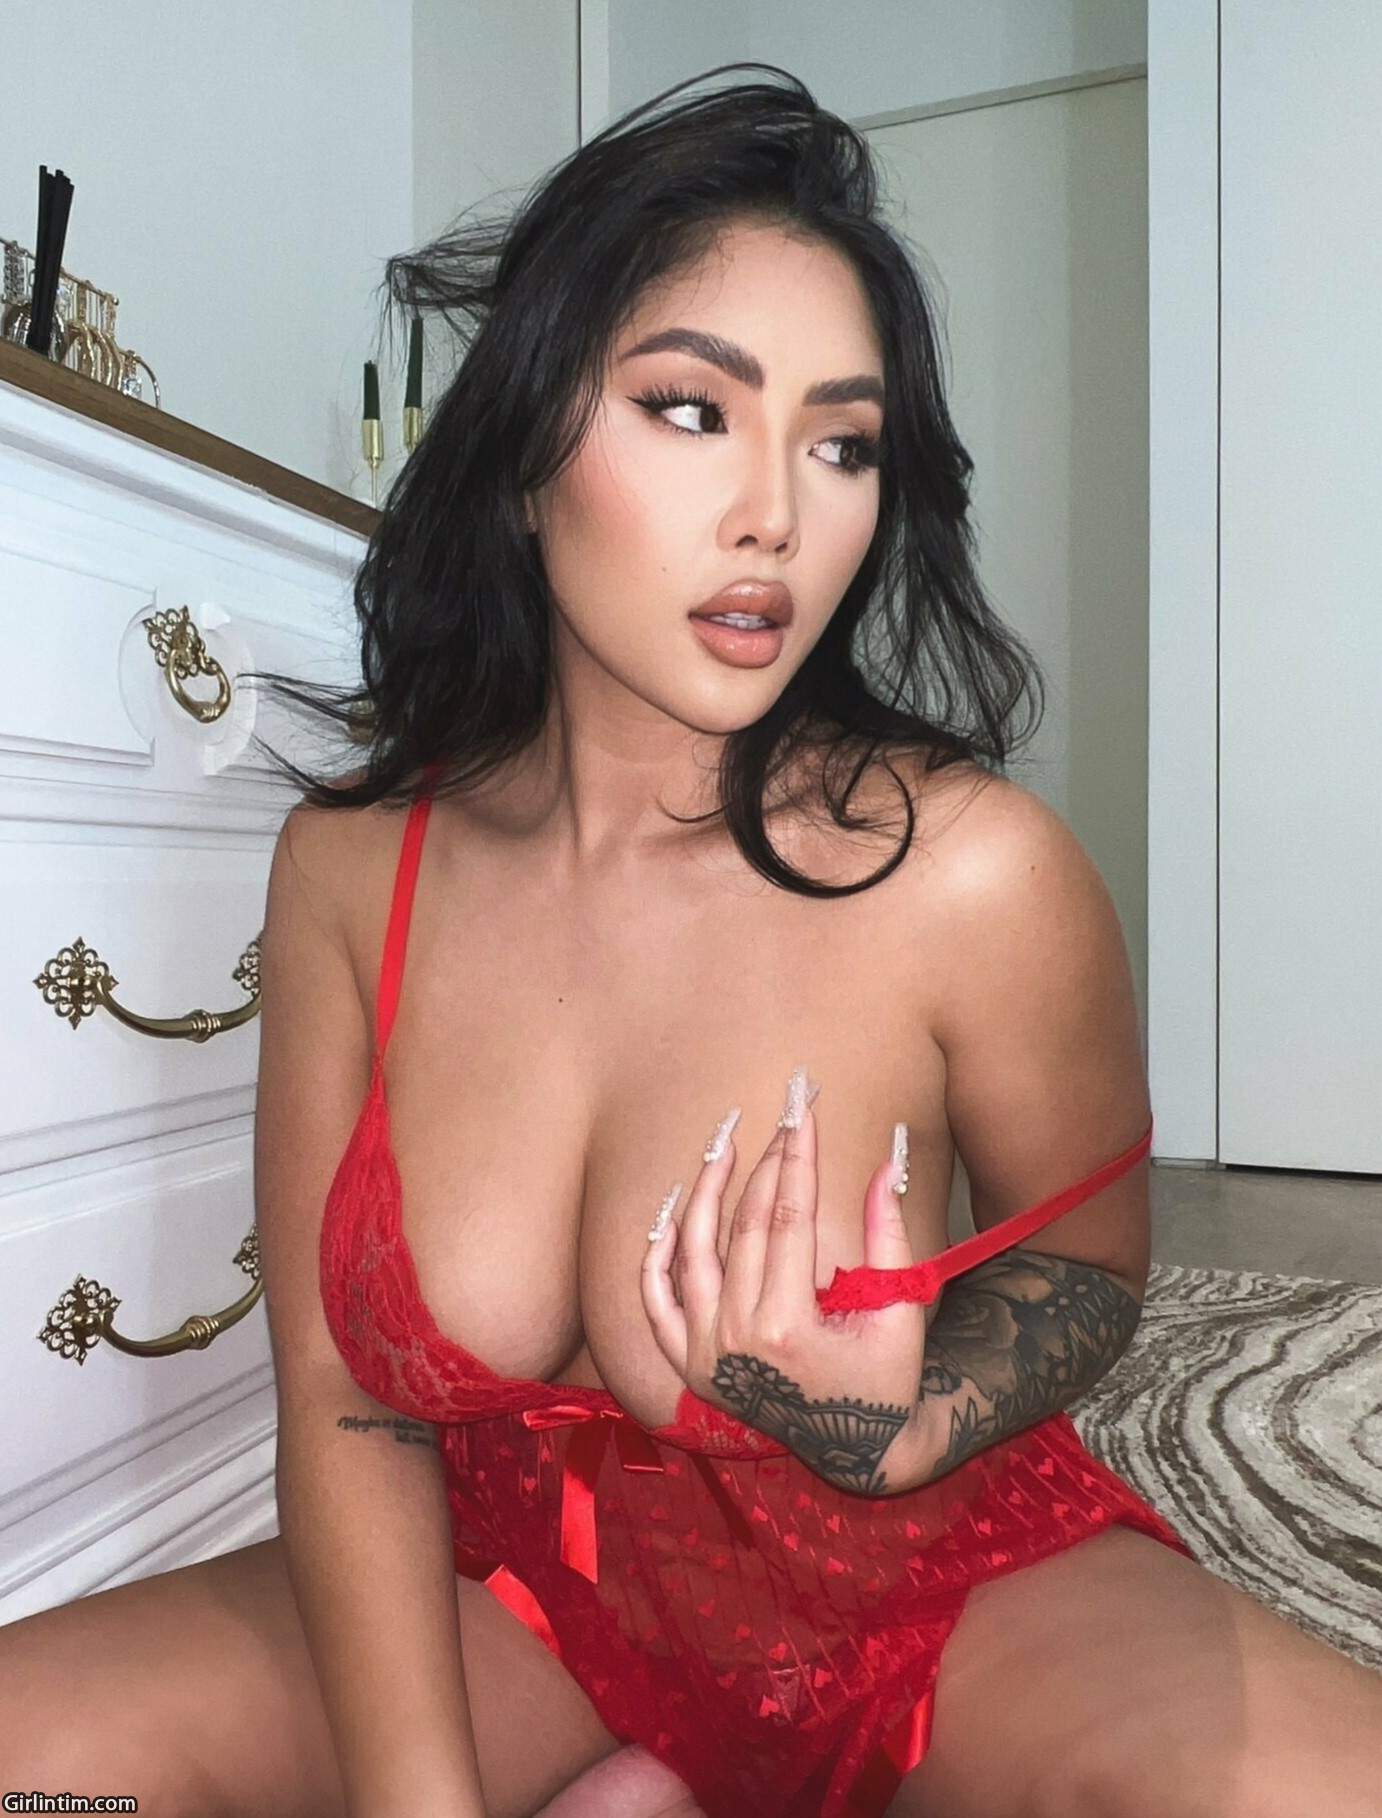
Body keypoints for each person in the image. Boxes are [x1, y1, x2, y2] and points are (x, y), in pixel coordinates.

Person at [4, 62, 1379, 1818]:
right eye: (687, 409)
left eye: (841, 441)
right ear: (520, 453)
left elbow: (1094, 1265)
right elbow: (350, 1404)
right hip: (522, 1601)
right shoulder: (352, 869)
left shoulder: (973, 874)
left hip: (919, 1601)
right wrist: (419, 1802)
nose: (777, 516)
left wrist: (903, 1419)